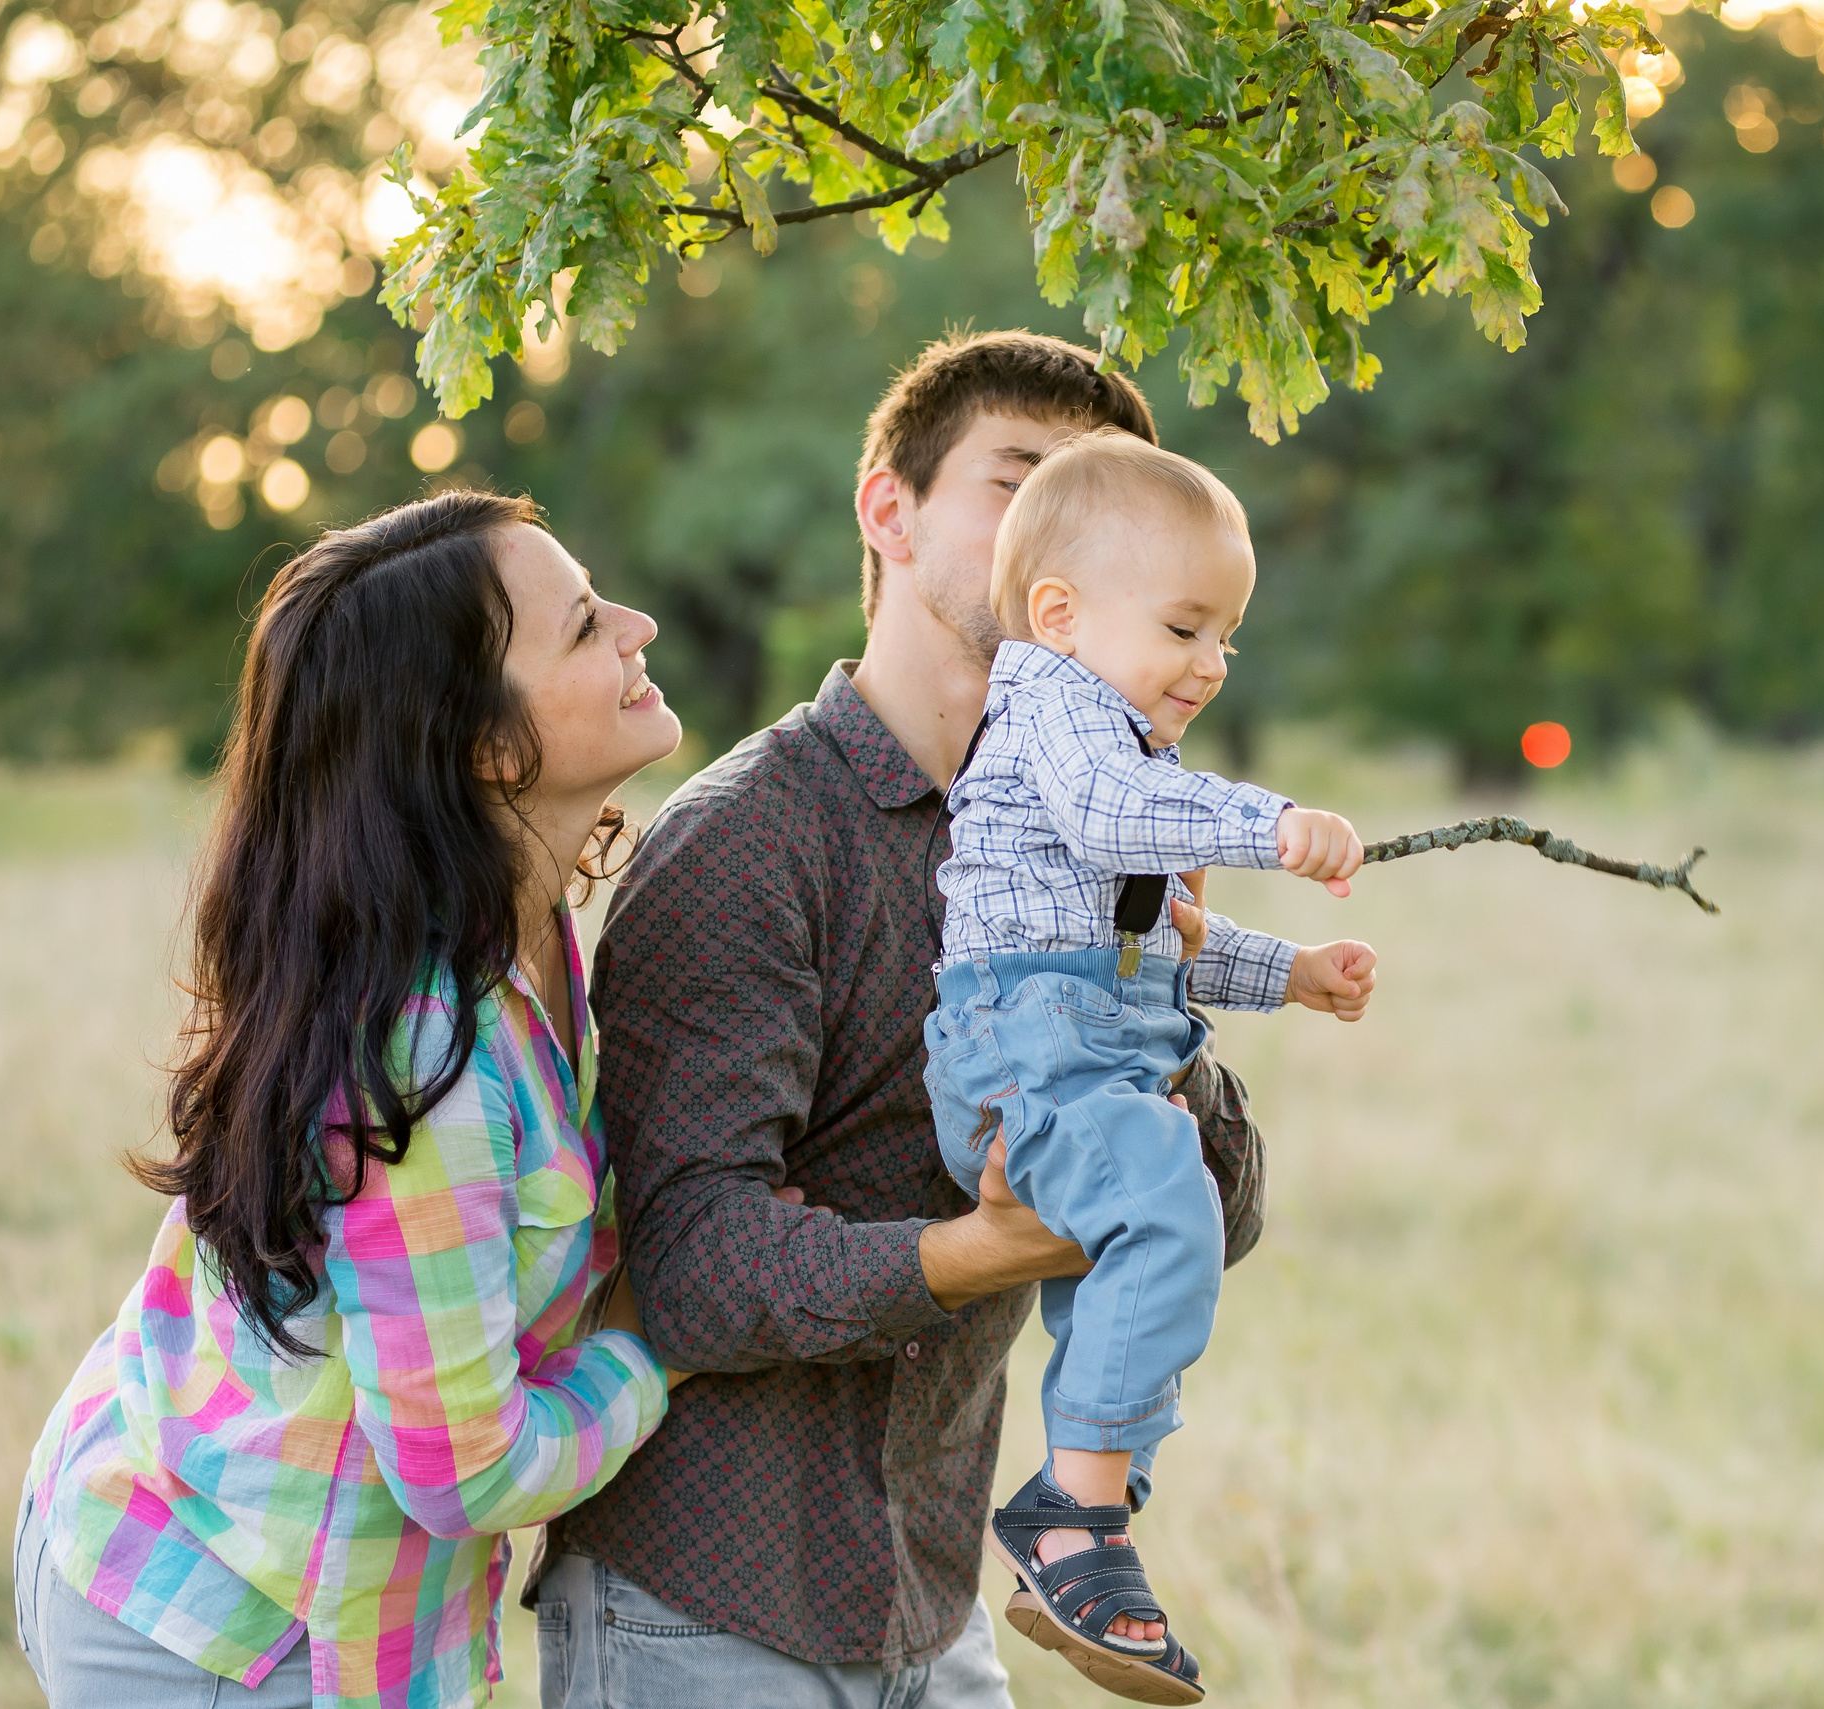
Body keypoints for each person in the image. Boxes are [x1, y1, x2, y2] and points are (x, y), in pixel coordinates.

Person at [531, 332, 1270, 1709]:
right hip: (703, 1608)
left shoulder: (1107, 846)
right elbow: (688, 1264)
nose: (1055, 530)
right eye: (1017, 480)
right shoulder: (746, 844)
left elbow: (1216, 1219)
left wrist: (1159, 974)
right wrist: (970, 1252)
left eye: (1091, 501)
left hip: (933, 1608)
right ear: (889, 510)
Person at [15, 492, 694, 1707]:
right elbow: (460, 1469)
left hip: (199, 1511)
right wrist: (654, 1346)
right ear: (483, 744)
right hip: (228, 1629)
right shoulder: (422, 1053)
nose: (637, 625)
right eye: (586, 624)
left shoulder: (517, 926)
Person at [925, 432, 1376, 1704]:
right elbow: (1115, 820)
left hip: (1091, 1040)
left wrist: (1289, 971)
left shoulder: (1123, 749)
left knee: (1151, 1251)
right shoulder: (1054, 718)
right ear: (1059, 615)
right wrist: (1267, 823)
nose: (1212, 662)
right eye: (1185, 626)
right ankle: (1072, 1517)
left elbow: (1154, 943)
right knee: (1168, 1196)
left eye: (1226, 635)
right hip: (1027, 1047)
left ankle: (1084, 1531)